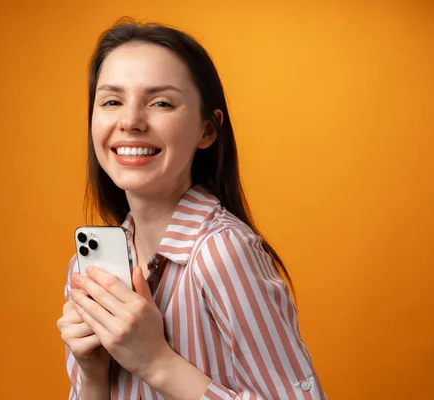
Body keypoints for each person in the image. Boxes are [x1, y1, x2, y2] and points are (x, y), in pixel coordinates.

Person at [56, 19, 325, 400]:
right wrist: (93, 376)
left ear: (207, 130)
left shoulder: (222, 252)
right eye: (112, 101)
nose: (130, 121)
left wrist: (156, 362)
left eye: (161, 102)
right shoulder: (88, 272)